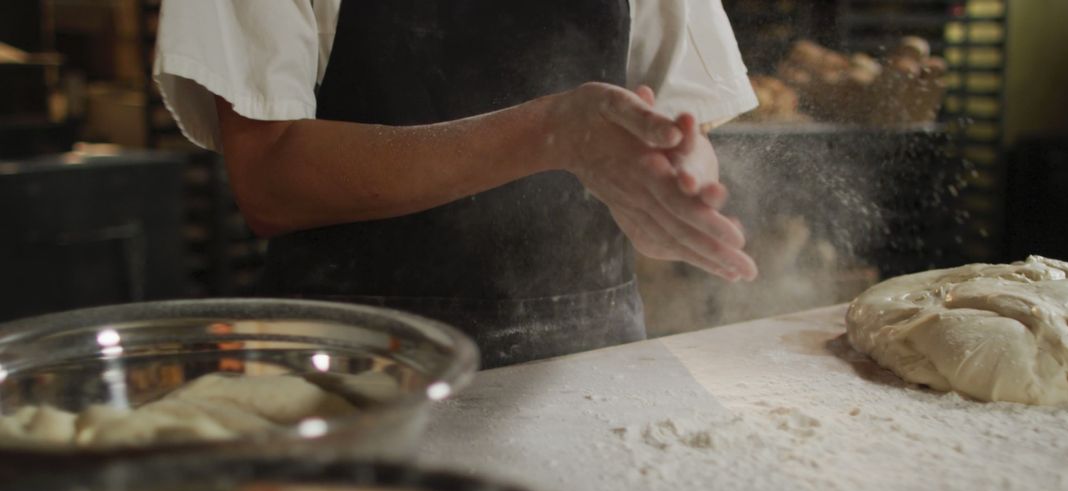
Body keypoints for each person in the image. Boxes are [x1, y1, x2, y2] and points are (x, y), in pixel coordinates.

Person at [155, 0, 760, 368]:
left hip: (591, 366)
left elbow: (682, 120)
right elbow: (270, 176)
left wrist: (670, 176)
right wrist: (553, 133)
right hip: (356, 376)